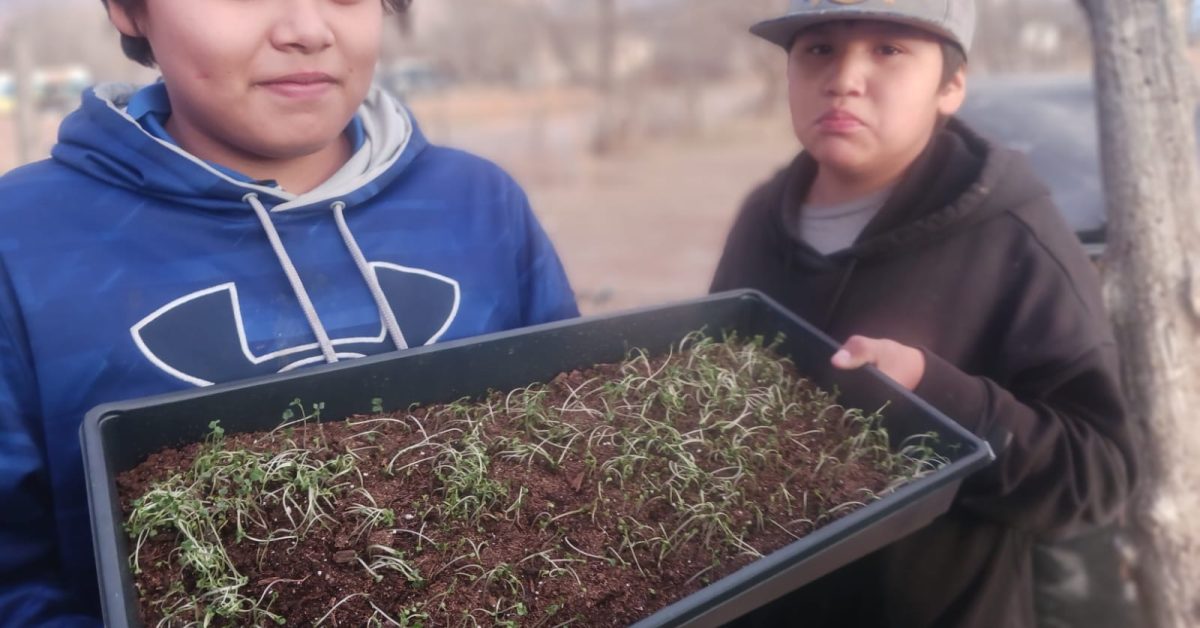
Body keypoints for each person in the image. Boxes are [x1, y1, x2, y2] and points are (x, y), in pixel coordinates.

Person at [0, 0, 578, 623]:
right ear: (129, 11)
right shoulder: (23, 242)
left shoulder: (479, 204)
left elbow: (575, 459)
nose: (306, 30)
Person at [711, 1, 1137, 626]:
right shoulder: (763, 215)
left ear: (952, 86)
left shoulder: (1016, 239)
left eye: (889, 49)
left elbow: (1097, 475)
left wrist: (934, 397)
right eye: (818, 48)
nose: (844, 79)